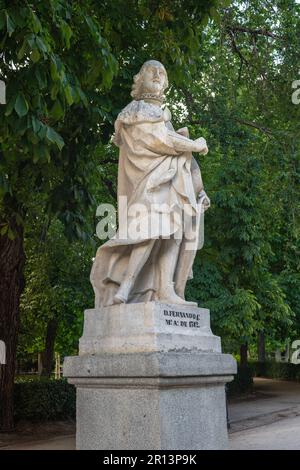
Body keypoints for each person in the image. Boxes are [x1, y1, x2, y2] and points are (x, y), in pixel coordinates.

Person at [91, 60, 210, 308]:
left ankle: (166, 289)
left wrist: (199, 191)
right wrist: (195, 144)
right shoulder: (134, 112)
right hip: (148, 183)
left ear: (166, 83)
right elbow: (161, 141)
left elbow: (182, 159)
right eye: (151, 71)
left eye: (162, 72)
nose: (157, 74)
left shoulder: (162, 118)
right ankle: (126, 285)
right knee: (149, 230)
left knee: (174, 232)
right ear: (139, 80)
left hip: (170, 184)